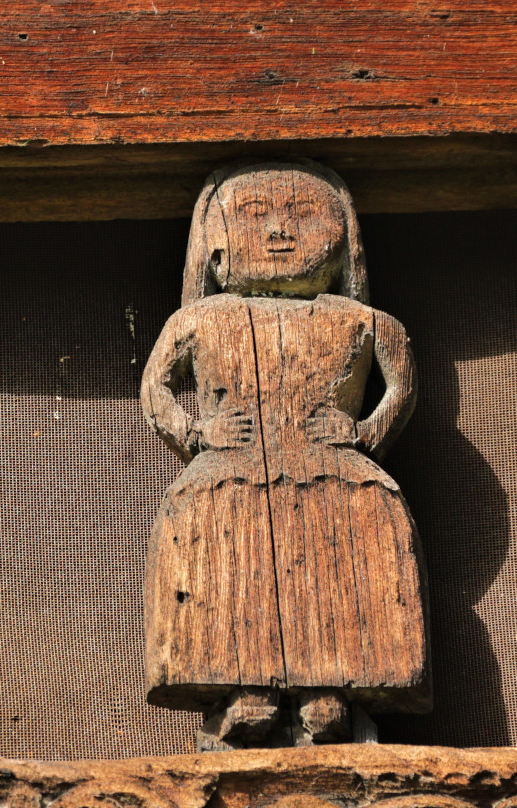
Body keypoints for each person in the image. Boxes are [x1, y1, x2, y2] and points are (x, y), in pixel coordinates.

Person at [141, 161, 429, 748]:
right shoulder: (199, 320)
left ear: (344, 238)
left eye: (302, 215)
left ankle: (331, 690)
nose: (278, 231)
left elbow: (402, 388)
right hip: (233, 469)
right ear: (213, 248)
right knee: (229, 556)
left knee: (341, 557)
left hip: (332, 469)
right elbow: (155, 388)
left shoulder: (366, 323)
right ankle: (247, 689)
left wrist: (366, 431)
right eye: (253, 215)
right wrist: (198, 434)